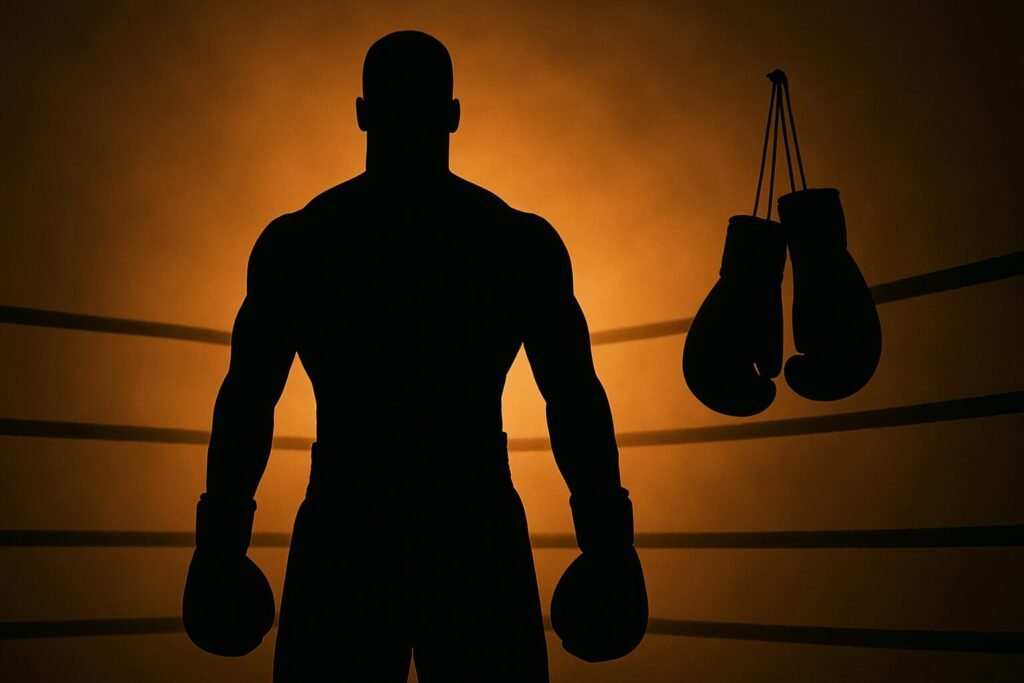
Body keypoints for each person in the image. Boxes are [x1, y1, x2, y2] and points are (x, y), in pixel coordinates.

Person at [182, 30, 647, 682]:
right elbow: (572, 395)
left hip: (347, 523)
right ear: (453, 114)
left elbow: (248, 397)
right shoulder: (515, 243)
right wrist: (606, 539)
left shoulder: (303, 244)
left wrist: (221, 542)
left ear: (362, 113)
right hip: (473, 522)